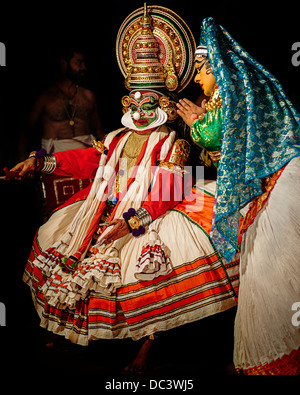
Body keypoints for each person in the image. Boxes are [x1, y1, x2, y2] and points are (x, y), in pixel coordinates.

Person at [9, 6, 239, 374]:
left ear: (163, 104)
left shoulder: (170, 141)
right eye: (134, 103)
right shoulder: (117, 137)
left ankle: (148, 345)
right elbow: (89, 162)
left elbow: (168, 188)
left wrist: (132, 222)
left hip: (148, 215)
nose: (141, 110)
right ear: (126, 103)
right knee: (67, 248)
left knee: (148, 273)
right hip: (107, 208)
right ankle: (78, 335)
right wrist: (40, 163)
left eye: (149, 103)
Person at [177, 17, 300, 375]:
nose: (197, 78)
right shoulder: (226, 96)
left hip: (284, 182)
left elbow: (217, 135)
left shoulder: (235, 92)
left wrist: (200, 124)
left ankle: (279, 360)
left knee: (272, 268)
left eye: (201, 69)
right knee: (263, 268)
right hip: (275, 184)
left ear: (218, 65)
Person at [18, 46, 106, 214]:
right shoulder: (46, 97)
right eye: (78, 63)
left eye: (84, 63)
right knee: (57, 214)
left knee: (89, 212)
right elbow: (25, 130)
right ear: (64, 64)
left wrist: (110, 160)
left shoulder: (88, 96)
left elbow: (99, 129)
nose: (83, 68)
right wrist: (24, 160)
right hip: (55, 163)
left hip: (87, 162)